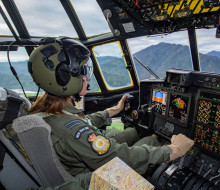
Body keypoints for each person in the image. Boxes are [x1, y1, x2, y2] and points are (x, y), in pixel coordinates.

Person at [28, 37, 194, 178]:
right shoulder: (73, 131)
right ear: (64, 78)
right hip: (94, 174)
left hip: (79, 159)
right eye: (82, 71)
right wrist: (173, 150)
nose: (86, 77)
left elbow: (83, 120)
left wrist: (114, 110)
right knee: (151, 140)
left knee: (132, 131)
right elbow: (122, 156)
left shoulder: (49, 108)